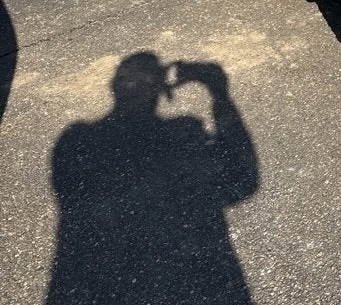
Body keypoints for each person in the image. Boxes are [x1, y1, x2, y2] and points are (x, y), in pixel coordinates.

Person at [47, 52, 259, 305]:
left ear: (113, 86)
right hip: (200, 286)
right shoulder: (183, 134)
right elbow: (241, 178)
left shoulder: (76, 142)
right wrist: (218, 92)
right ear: (163, 89)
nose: (135, 82)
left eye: (142, 75)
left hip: (108, 290)